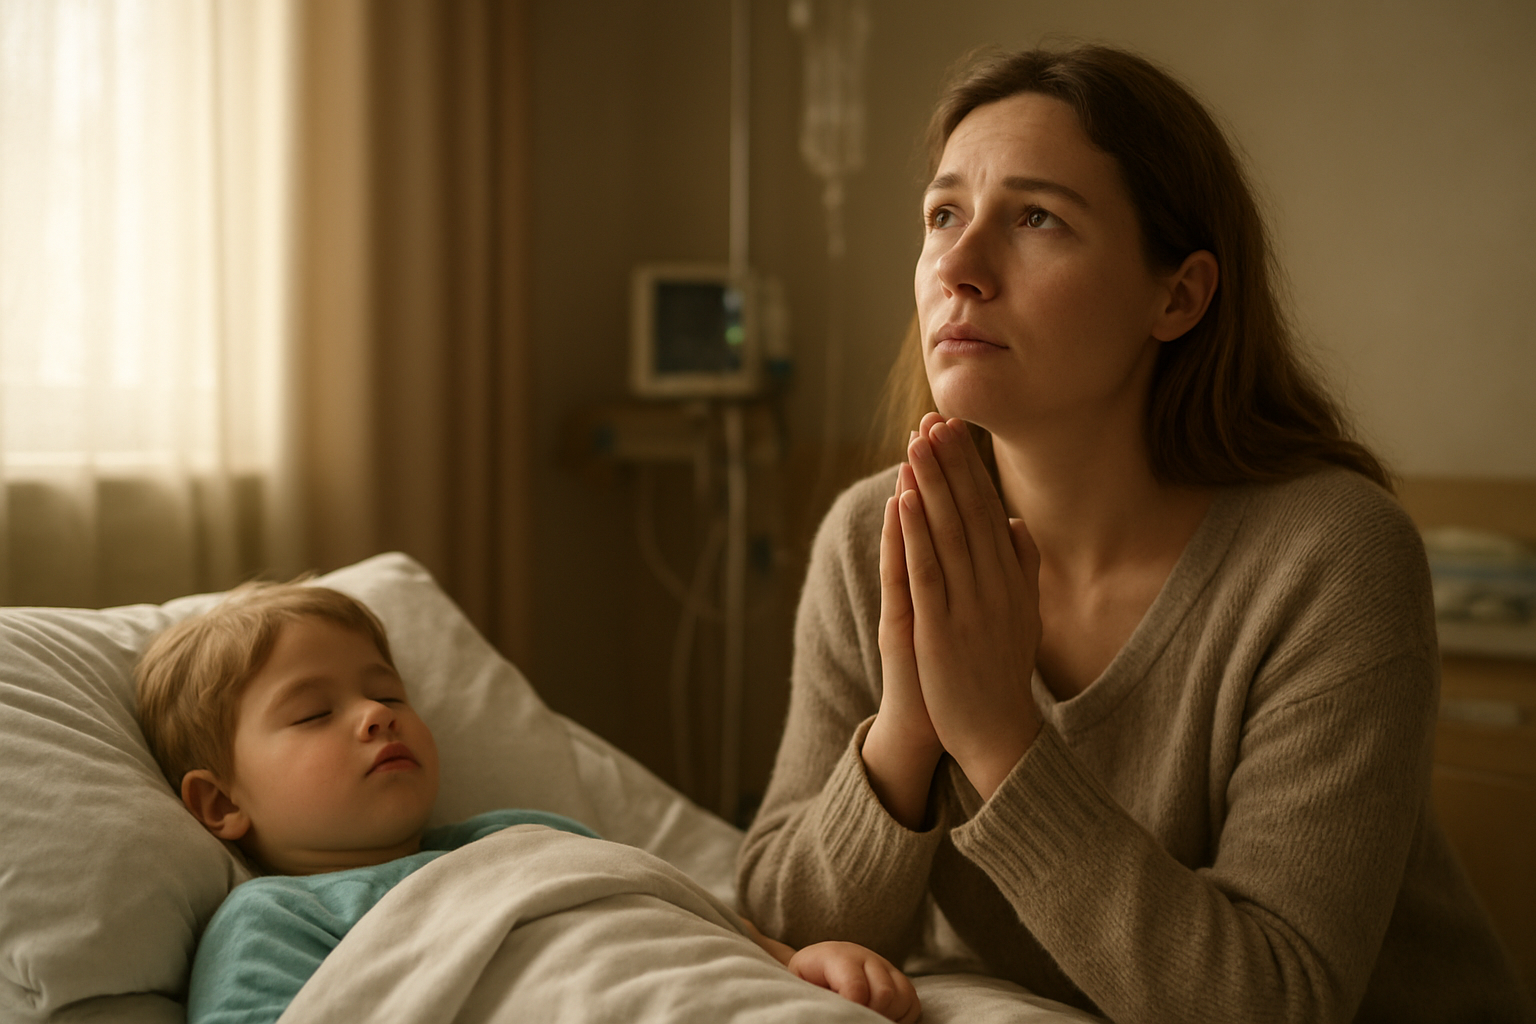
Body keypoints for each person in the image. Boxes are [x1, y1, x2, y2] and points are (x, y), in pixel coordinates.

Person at [737, 44, 1530, 1024]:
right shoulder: (874, 541)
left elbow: (1276, 1003)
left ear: (1179, 296)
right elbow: (776, 911)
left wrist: (998, 740)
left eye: (1036, 219)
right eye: (943, 214)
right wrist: (909, 731)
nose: (960, 266)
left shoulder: (1330, 559)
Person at [135, 582, 921, 1024]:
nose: (375, 715)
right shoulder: (271, 918)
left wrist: (798, 960)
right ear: (218, 805)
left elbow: (674, 921)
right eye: (313, 713)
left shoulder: (523, 838)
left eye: (386, 692)